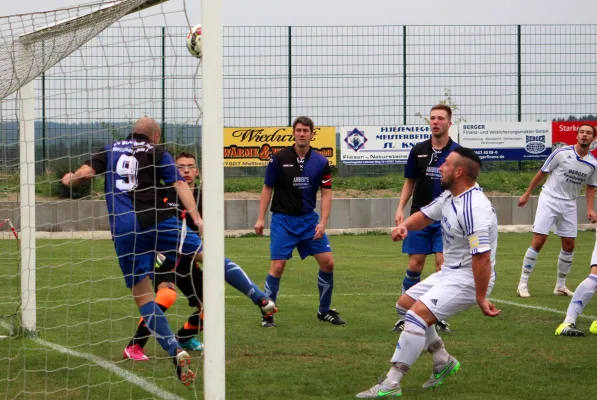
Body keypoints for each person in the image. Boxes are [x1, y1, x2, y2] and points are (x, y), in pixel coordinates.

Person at [62, 118, 276, 385]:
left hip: (125, 229)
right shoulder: (158, 151)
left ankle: (175, 348)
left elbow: (85, 173)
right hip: (159, 220)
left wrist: (70, 178)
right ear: (156, 135)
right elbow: (179, 185)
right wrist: (197, 218)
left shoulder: (109, 149)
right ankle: (260, 297)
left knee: (143, 295)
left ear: (133, 132)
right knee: (206, 256)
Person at [356, 147, 500, 398]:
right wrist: (404, 227)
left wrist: (480, 296)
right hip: (450, 273)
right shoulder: (449, 197)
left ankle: (391, 383)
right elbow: (424, 216)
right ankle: (442, 360)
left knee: (415, 318)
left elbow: (482, 257)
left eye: (446, 164)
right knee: (404, 306)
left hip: (468, 278)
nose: (440, 167)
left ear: (458, 172)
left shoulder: (474, 207)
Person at [124, 151, 280, 360]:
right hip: (164, 256)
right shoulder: (162, 193)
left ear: (197, 171)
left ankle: (185, 336)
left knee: (212, 308)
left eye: (190, 166)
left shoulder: (204, 198)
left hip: (189, 259)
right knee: (167, 295)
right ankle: (135, 345)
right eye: (180, 167)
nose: (186, 170)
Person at [254, 116, 344, 327]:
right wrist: (260, 218)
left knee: (328, 263)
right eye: (299, 130)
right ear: (293, 133)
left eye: (306, 130)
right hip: (283, 221)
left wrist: (322, 222)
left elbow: (327, 192)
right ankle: (268, 315)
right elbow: (268, 187)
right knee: (277, 266)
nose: (302, 134)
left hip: (308, 221)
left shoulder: (321, 162)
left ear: (312, 134)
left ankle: (324, 311)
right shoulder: (278, 159)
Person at [392, 104, 459, 332]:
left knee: (442, 267)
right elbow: (409, 181)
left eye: (440, 118)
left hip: (446, 220)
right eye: (432, 118)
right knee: (415, 266)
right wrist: (400, 208)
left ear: (449, 123)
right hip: (419, 216)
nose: (435, 122)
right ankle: (406, 315)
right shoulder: (418, 150)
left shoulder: (457, 153)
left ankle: (437, 315)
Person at [516, 124, 597, 298]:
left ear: (593, 139)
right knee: (539, 240)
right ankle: (522, 283)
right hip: (549, 199)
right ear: (576, 136)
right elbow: (542, 173)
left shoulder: (592, 163)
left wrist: (590, 208)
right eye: (581, 132)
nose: (584, 135)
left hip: (569, 204)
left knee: (569, 245)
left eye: (588, 133)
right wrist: (527, 193)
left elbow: (590, 186)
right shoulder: (561, 153)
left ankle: (560, 286)